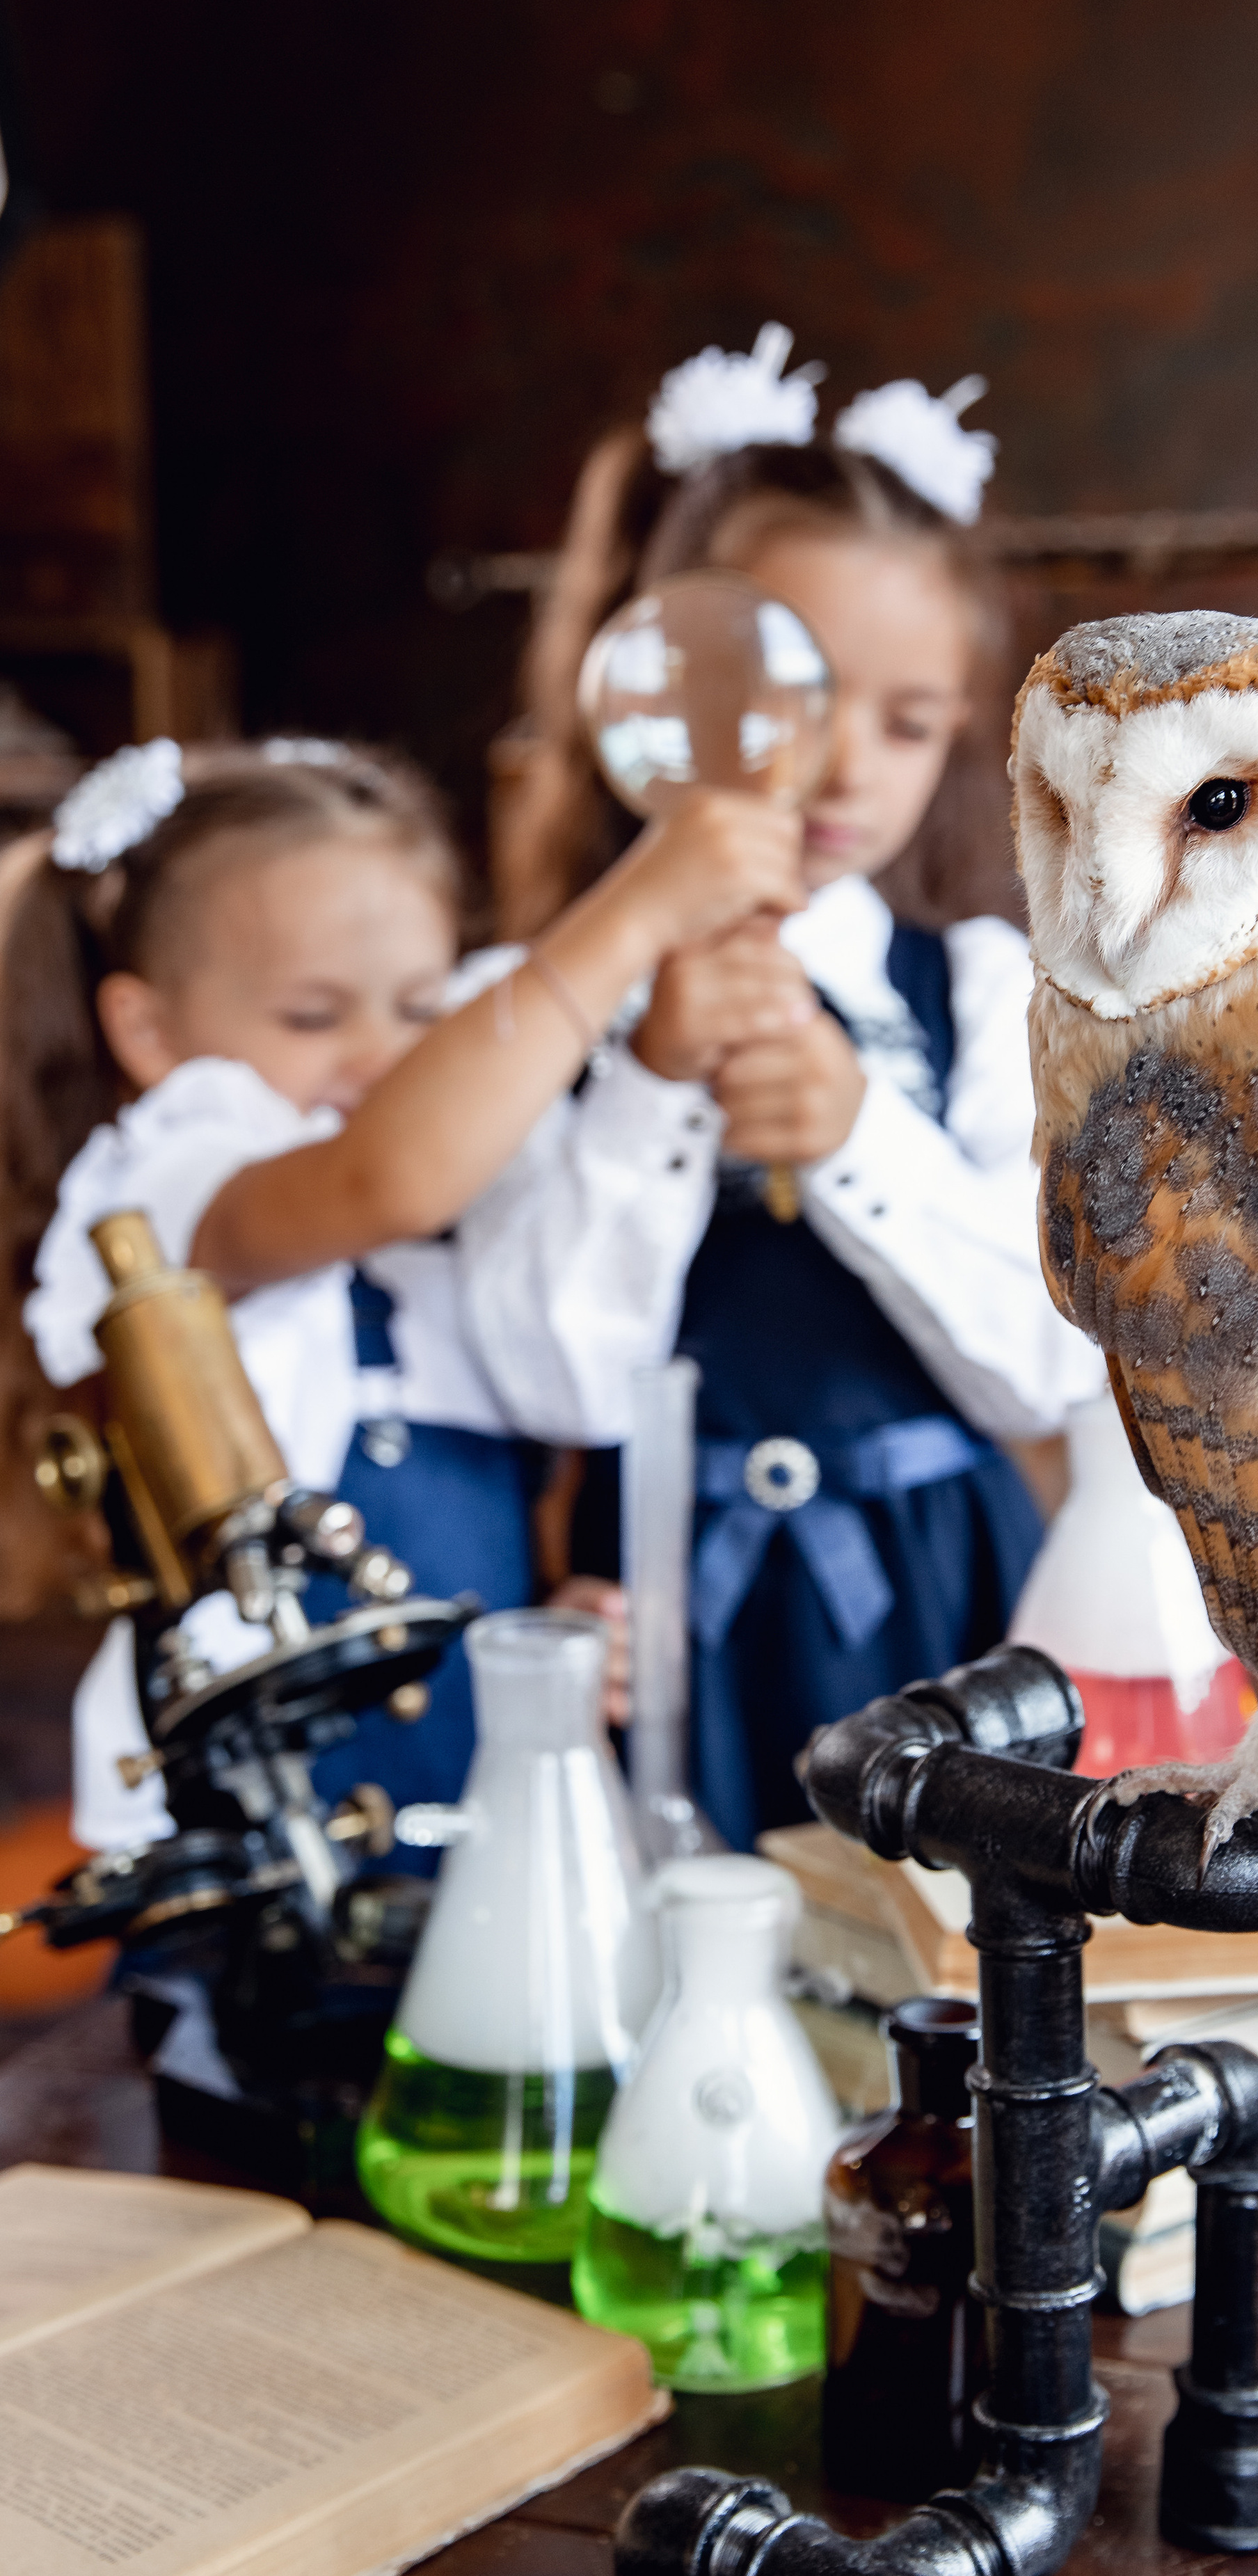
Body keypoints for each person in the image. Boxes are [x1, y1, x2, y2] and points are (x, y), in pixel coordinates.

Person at [463, 329, 1108, 1850]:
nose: (842, 772)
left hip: (940, 1604)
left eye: (904, 721)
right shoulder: (558, 999)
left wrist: (852, 1135)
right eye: (794, 690)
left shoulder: (977, 992)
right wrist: (649, 1081)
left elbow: (1044, 1361)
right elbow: (549, 1379)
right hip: (664, 1610)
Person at [8, 734, 804, 1852]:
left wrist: (539, 1628)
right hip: (270, 1825)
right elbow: (384, 1174)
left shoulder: (453, 1219)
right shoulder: (170, 1182)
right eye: (313, 1016)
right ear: (145, 1029)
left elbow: (570, 1398)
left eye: (422, 1010)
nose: (385, 1059)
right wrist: (631, 918)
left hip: (469, 1800)